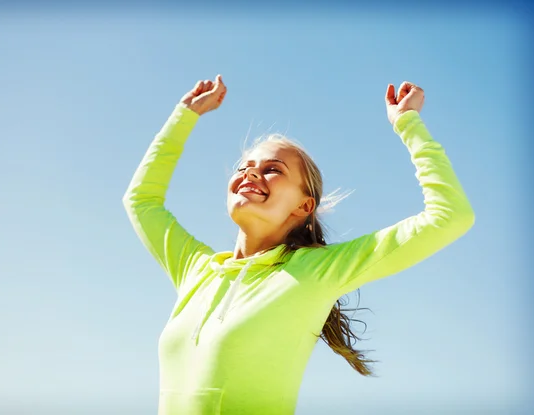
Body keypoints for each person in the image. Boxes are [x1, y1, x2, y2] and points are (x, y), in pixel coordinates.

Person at [123, 75, 475, 414]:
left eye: (273, 169)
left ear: (304, 206)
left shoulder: (317, 270)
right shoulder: (196, 268)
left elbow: (450, 215)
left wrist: (408, 123)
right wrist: (185, 116)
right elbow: (141, 201)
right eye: (244, 166)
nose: (250, 173)